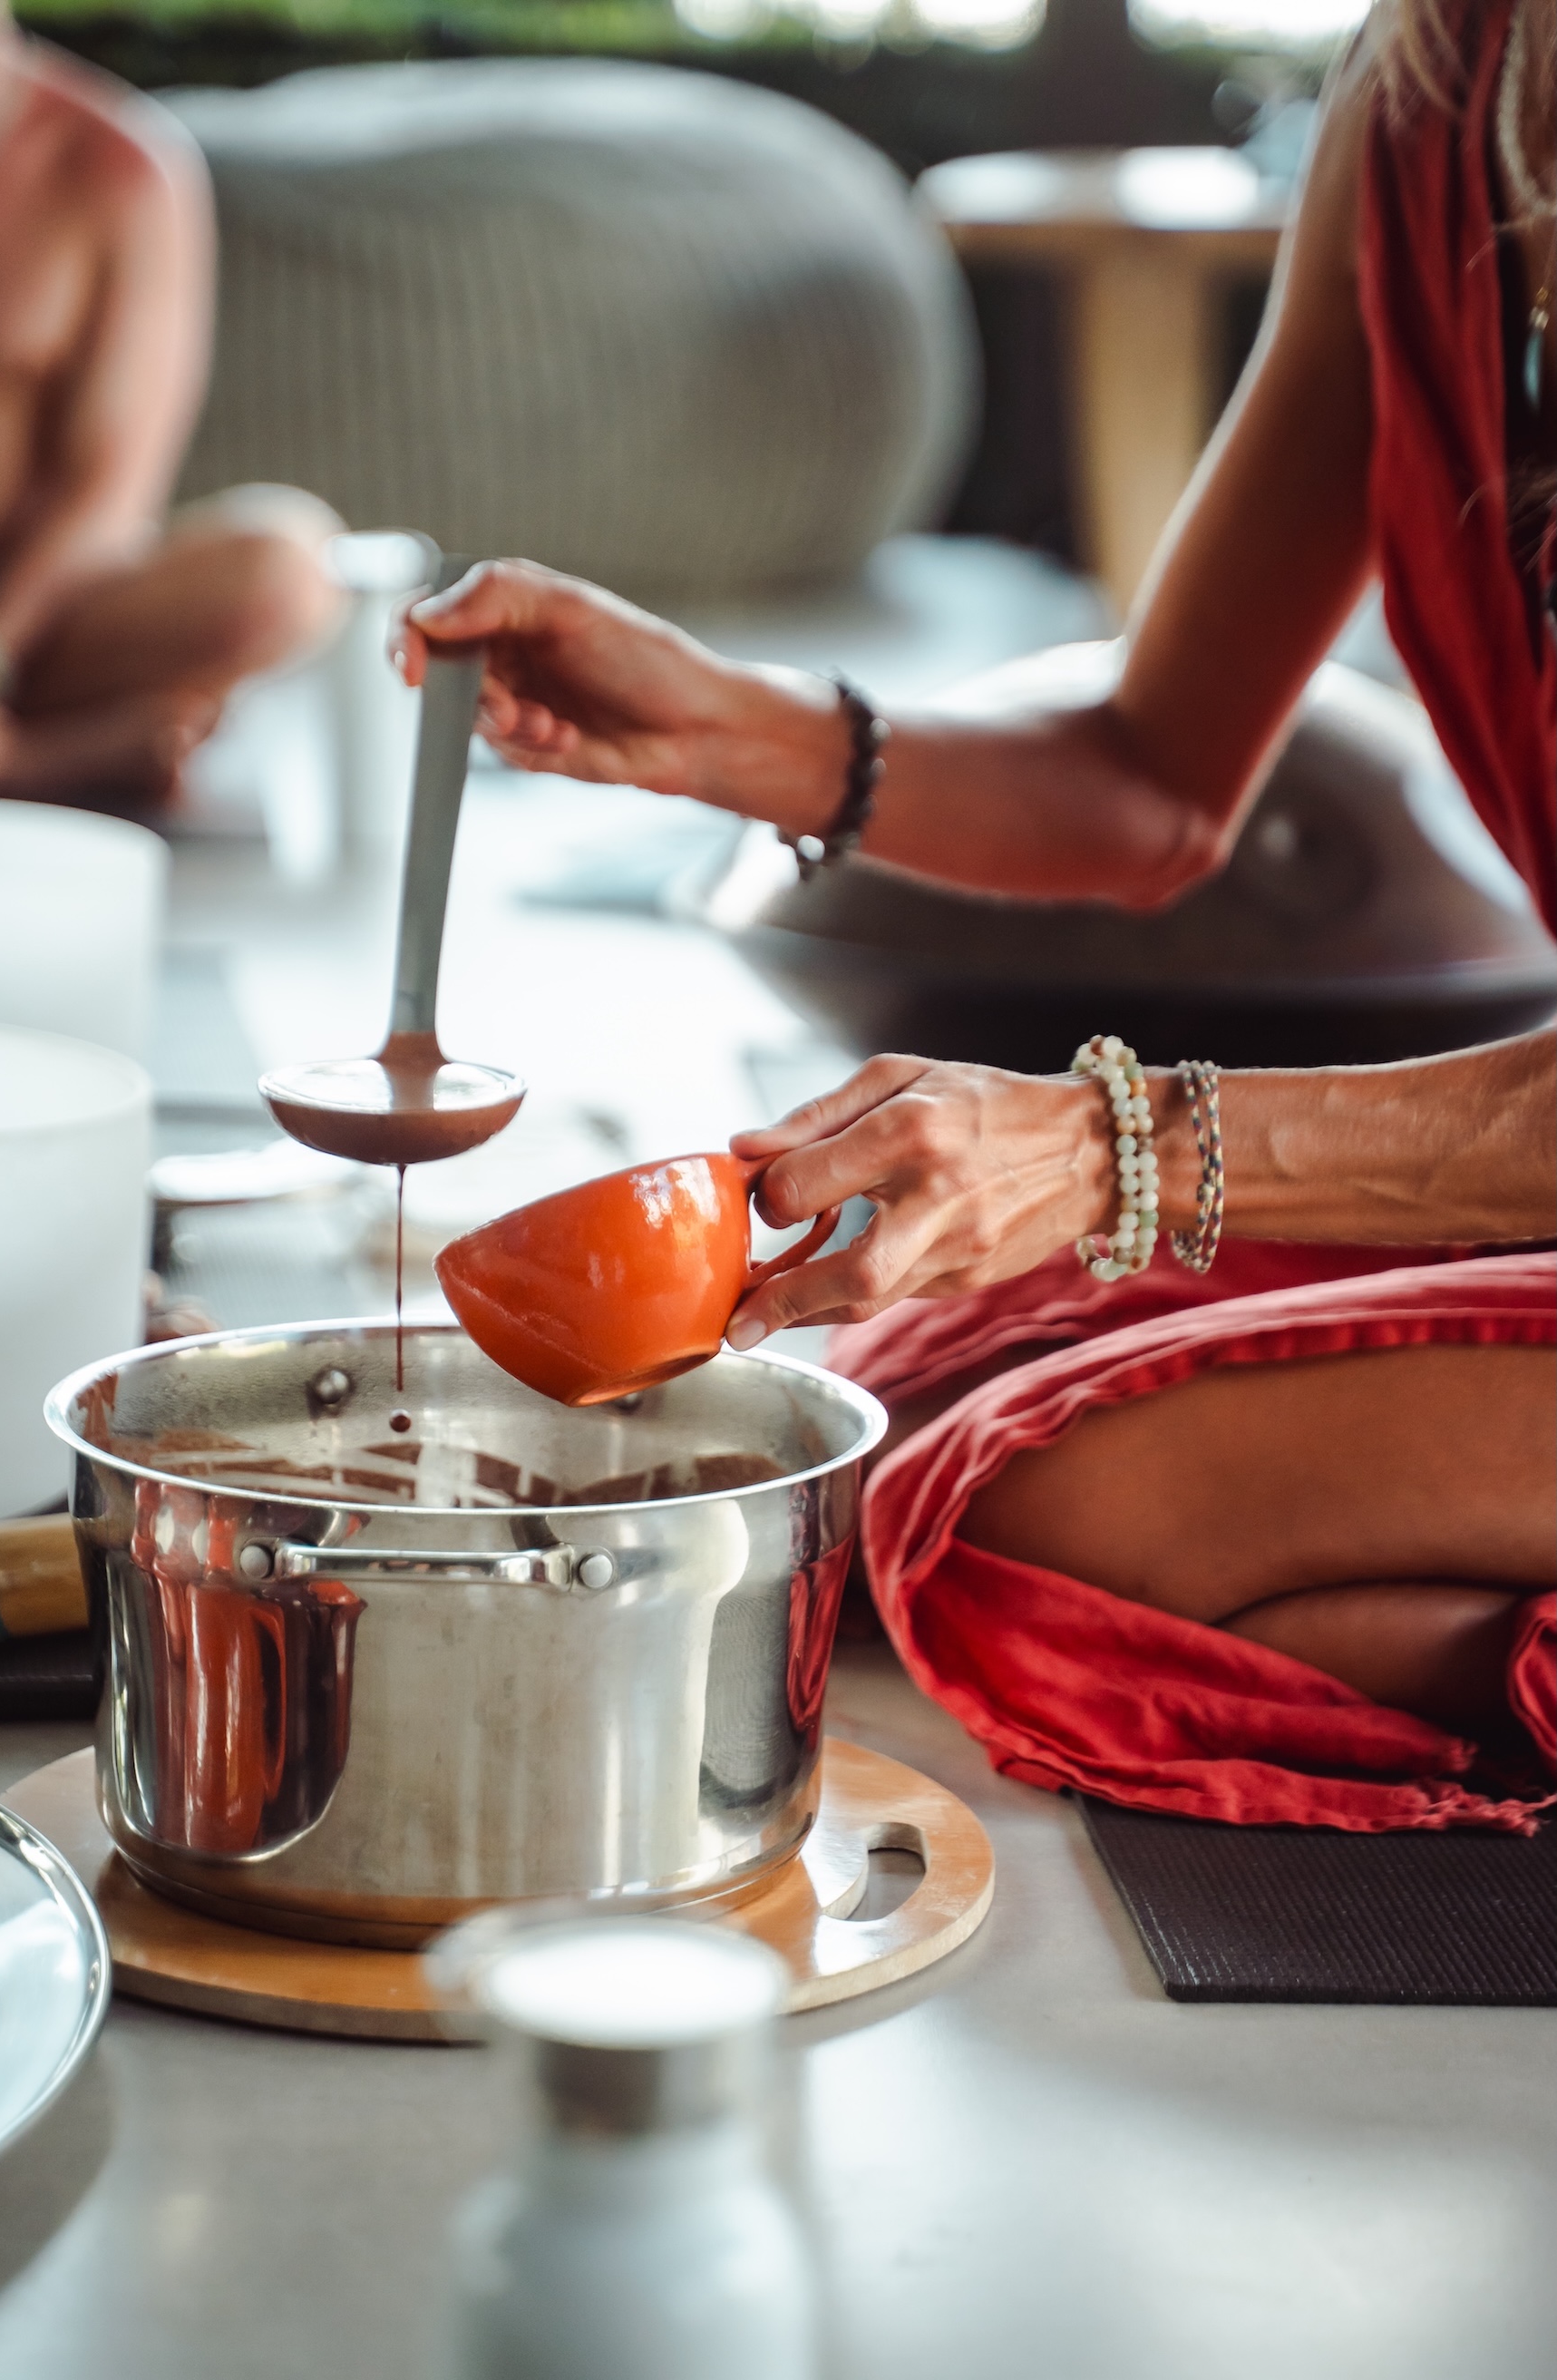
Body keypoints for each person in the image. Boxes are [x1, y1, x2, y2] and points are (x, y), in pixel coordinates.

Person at [402, 0, 1556, 1829]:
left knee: (1047, 1511)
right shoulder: (1428, 86)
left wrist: (1107, 1150)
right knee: (906, 1387)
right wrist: (741, 725)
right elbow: (1150, 768)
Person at [0, 0, 341, 808]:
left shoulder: (121, 167)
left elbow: (109, 497)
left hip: (30, 629)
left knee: (284, 569)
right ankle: (42, 765)